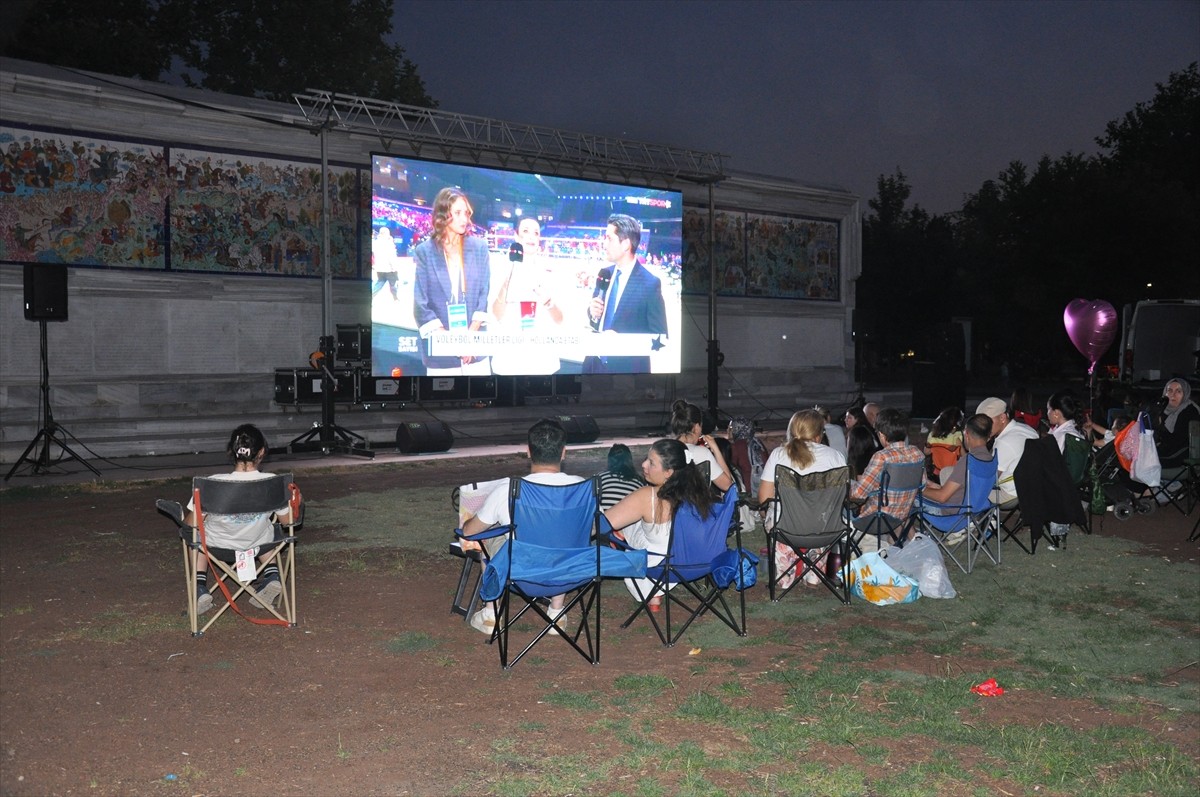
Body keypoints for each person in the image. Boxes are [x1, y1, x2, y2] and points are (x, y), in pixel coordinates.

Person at [461, 419, 583, 635]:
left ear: (528, 452)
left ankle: (491, 613)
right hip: (568, 572)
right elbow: (592, 529)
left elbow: (471, 531)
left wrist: (468, 518)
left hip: (522, 571)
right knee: (562, 538)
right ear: (563, 453)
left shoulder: (507, 489)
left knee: (488, 538)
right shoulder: (582, 487)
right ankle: (556, 612)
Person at [184, 424, 297, 614]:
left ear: (232, 451)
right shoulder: (273, 482)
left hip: (217, 547)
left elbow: (192, 524)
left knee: (193, 537)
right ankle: (272, 575)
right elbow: (288, 522)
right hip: (258, 545)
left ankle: (199, 587)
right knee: (269, 528)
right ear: (261, 452)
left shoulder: (213, 483)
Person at [603, 438, 717, 608]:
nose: (643, 465)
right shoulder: (700, 494)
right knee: (640, 524)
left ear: (668, 472)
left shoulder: (649, 496)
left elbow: (602, 523)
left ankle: (621, 537)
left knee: (621, 524)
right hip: (697, 560)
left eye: (651, 463)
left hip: (660, 565)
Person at [757, 409, 848, 588]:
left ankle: (785, 574)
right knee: (820, 514)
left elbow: (764, 498)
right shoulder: (836, 457)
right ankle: (814, 573)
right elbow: (843, 498)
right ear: (818, 434)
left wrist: (763, 515)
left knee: (774, 514)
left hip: (786, 528)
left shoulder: (778, 454)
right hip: (825, 528)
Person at [412, 187, 491, 375]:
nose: (464, 219)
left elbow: (483, 295)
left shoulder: (479, 248)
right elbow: (420, 305)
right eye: (457, 213)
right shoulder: (425, 251)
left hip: (475, 351)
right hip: (442, 355)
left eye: (466, 213)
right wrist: (451, 343)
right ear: (443, 214)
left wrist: (469, 341)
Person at [583, 213, 668, 373]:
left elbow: (660, 338)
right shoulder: (604, 274)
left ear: (626, 244)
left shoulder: (650, 284)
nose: (603, 243)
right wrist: (592, 312)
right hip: (593, 366)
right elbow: (596, 321)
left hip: (627, 375)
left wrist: (622, 342)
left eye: (609, 238)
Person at [490, 217, 564, 375]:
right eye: (526, 231)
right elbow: (496, 314)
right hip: (509, 361)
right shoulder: (501, 267)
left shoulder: (551, 270)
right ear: (516, 236)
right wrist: (505, 284)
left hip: (542, 362)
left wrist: (548, 302)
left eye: (536, 233)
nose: (531, 236)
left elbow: (559, 319)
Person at [848, 408, 925, 550]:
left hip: (877, 519)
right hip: (904, 514)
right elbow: (923, 485)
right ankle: (891, 546)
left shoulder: (882, 457)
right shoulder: (917, 453)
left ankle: (875, 547)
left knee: (844, 506)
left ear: (882, 436)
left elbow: (858, 494)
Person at [977, 396, 1038, 504]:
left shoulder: (1004, 442)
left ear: (1002, 418)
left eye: (987, 422)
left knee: (959, 487)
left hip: (1009, 495)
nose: (983, 427)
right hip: (1032, 489)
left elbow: (989, 480)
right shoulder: (1028, 429)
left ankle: (975, 520)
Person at [922, 413, 993, 506]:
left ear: (966, 434)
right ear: (989, 436)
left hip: (953, 514)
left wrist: (919, 489)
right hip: (975, 508)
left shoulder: (967, 461)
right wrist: (934, 486)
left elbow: (942, 497)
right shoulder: (990, 459)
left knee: (911, 499)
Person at [668, 399, 735, 491]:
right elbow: (728, 485)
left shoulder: (664, 448)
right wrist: (715, 449)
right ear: (696, 427)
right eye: (701, 426)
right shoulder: (701, 453)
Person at [1155, 378, 1199, 467]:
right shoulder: (1163, 409)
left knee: (1147, 461)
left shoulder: (1190, 411)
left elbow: (1178, 440)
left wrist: (1160, 426)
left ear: (1185, 394)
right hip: (1167, 449)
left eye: (1178, 391)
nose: (1173, 395)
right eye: (1169, 391)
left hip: (1181, 455)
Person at [596, 443, 644, 510]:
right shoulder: (639, 482)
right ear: (629, 460)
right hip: (630, 519)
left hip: (604, 518)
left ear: (609, 460)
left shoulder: (599, 478)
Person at [727, 416, 767, 494]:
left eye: (730, 428)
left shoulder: (736, 447)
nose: (728, 430)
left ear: (737, 429)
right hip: (763, 489)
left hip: (747, 491)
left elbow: (730, 470)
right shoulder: (758, 444)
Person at [925, 406, 964, 483]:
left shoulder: (932, 435)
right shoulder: (956, 437)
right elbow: (964, 456)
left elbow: (926, 452)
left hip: (937, 472)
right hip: (953, 473)